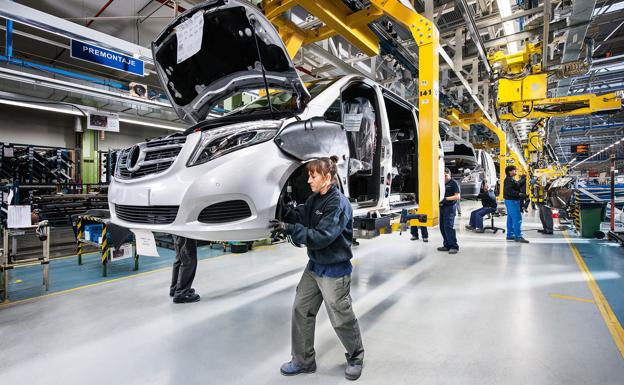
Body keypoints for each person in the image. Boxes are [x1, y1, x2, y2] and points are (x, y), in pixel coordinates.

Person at [270, 156, 364, 381]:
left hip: (334, 269)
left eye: (313, 176)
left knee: (340, 317)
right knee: (301, 309)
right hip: (314, 266)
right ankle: (303, 361)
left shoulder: (338, 204)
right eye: (309, 176)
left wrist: (289, 228)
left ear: (327, 178)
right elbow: (301, 215)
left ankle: (356, 356)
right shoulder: (314, 199)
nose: (309, 181)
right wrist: (280, 209)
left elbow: (323, 236)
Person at [170, 236, 200, 303]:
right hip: (186, 231)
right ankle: (182, 293)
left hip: (177, 230)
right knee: (188, 259)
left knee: (180, 258)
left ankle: (175, 289)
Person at [503, 166, 529, 243]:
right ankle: (518, 236)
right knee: (517, 219)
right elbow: (510, 191)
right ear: (509, 171)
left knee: (510, 219)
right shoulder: (508, 180)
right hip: (512, 201)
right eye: (514, 170)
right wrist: (520, 194)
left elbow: (517, 185)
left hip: (510, 201)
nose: (515, 171)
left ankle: (510, 235)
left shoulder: (510, 179)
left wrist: (524, 180)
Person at [437, 168, 461, 254]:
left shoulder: (454, 183)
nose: (444, 177)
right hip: (442, 207)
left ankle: (454, 246)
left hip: (450, 207)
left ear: (449, 175)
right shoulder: (441, 183)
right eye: (442, 176)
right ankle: (446, 245)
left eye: (445, 175)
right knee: (442, 227)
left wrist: (446, 199)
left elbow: (457, 196)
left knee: (448, 227)